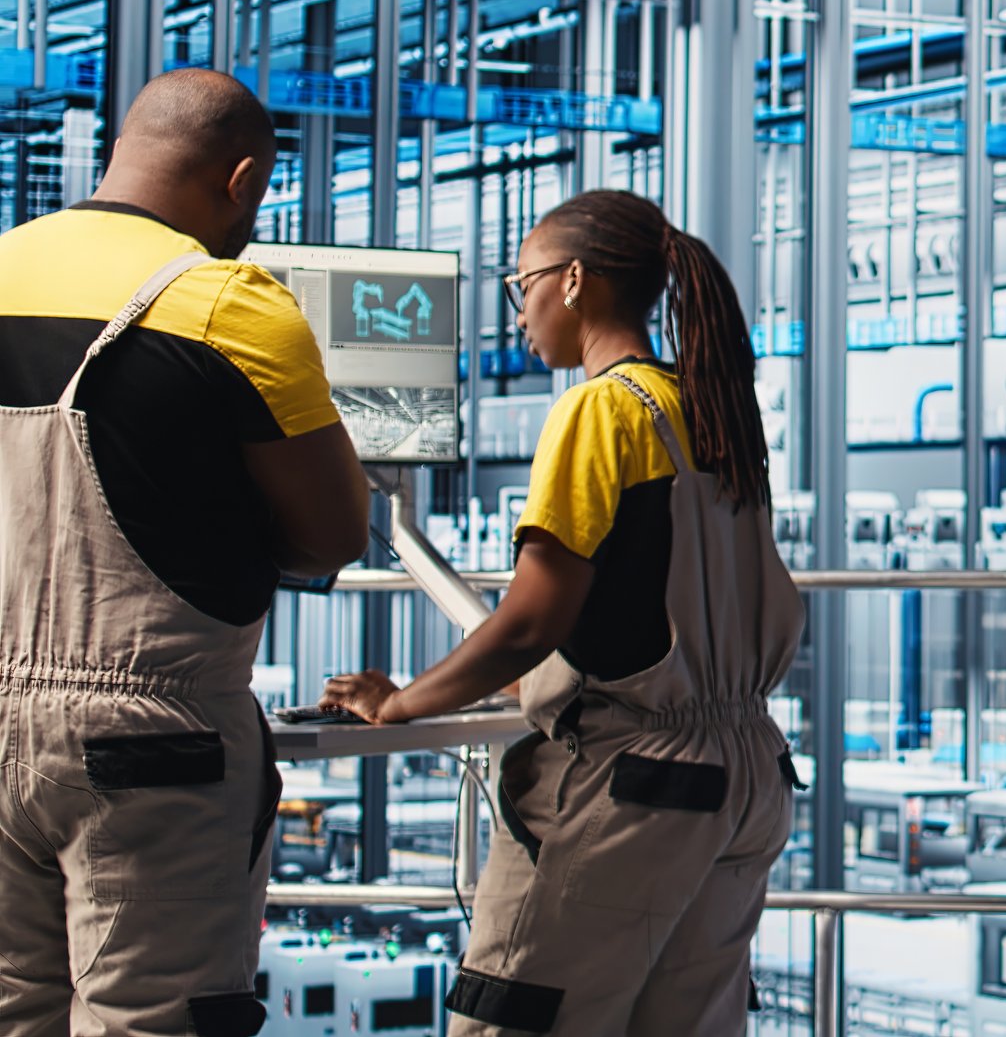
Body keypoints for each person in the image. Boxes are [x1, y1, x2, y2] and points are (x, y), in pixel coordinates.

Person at [321, 189, 800, 1036]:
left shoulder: (600, 409)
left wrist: (398, 703)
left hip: (633, 793)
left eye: (524, 285)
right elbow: (660, 612)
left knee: (522, 1018)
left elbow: (534, 619)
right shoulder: (710, 411)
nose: (521, 314)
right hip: (743, 780)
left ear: (574, 281)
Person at [0, 70, 370, 1036]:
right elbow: (333, 535)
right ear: (242, 179)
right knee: (158, 1021)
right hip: (154, 743)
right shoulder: (230, 303)